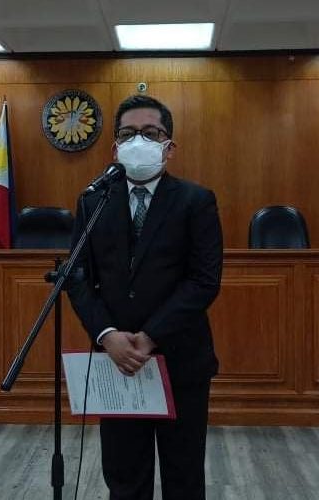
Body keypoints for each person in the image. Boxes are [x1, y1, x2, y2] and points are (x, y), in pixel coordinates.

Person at [67, 95, 223, 500]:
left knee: (183, 479)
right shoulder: (93, 201)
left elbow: (204, 281)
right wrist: (107, 335)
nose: (138, 141)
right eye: (128, 134)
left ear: (169, 147)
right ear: (114, 148)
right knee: (125, 480)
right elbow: (78, 278)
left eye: (150, 133)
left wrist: (149, 336)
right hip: (117, 363)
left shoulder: (196, 201)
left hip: (181, 360)